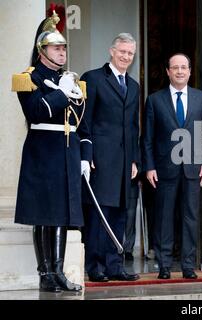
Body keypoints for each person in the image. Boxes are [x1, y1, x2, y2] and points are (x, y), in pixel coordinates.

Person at [12, 8, 89, 292]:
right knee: (44, 214)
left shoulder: (70, 79)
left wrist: (85, 157)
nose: (62, 52)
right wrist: (60, 93)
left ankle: (57, 271)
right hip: (43, 152)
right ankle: (45, 273)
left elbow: (82, 124)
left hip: (66, 153)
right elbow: (36, 112)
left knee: (60, 214)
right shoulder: (29, 78)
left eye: (63, 47)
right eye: (56, 48)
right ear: (42, 50)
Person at [141, 53, 202, 279]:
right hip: (163, 169)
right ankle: (164, 265)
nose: (180, 71)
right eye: (175, 67)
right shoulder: (154, 100)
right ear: (168, 71)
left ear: (190, 71)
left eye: (184, 67)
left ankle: (188, 265)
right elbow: (147, 138)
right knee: (164, 217)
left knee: (191, 217)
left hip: (193, 168)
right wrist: (149, 166)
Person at [81, 33, 140, 282]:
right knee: (99, 213)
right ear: (112, 51)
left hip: (126, 161)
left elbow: (134, 127)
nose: (126, 57)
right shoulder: (92, 79)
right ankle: (94, 266)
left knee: (120, 213)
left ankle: (115, 266)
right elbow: (84, 119)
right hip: (101, 159)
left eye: (130, 53)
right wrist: (87, 153)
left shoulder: (135, 86)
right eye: (122, 52)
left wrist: (136, 160)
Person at [123, 177, 139, 261]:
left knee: (130, 220)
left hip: (132, 184)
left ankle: (128, 249)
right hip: (115, 184)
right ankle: (115, 247)